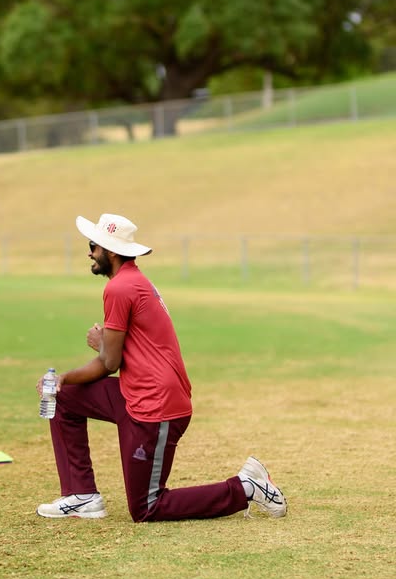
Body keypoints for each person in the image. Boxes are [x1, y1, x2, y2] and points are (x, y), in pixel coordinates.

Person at [36, 213, 287, 523]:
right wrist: (67, 377)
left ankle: (246, 487)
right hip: (135, 394)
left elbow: (109, 363)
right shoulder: (132, 281)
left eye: (93, 246)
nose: (90, 253)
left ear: (110, 252)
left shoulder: (120, 288)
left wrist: (92, 350)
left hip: (156, 407)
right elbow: (117, 358)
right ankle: (81, 495)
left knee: (146, 507)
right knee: (64, 397)